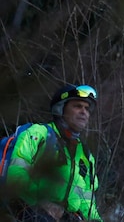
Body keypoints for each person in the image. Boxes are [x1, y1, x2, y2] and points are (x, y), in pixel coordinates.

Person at [4, 84, 103, 221]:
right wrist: (41, 203)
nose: (83, 112)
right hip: (27, 210)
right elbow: (16, 176)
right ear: (61, 109)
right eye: (77, 106)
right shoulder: (39, 134)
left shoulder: (85, 155)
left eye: (87, 108)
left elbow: (88, 204)